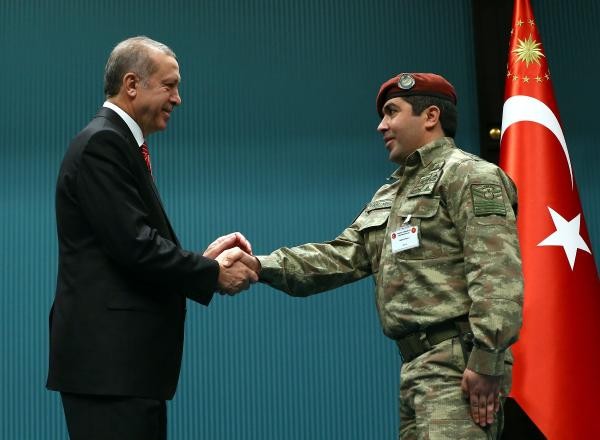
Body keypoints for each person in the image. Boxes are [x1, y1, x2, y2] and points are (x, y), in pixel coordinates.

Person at [247, 73, 523, 439]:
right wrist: (258, 265)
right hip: (416, 368)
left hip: (458, 366)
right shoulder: (393, 191)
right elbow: (343, 255)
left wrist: (487, 360)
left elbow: (496, 271)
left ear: (431, 116)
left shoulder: (470, 174)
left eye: (392, 112)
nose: (382, 125)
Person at [46, 36, 258, 440]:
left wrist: (202, 261)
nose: (177, 98)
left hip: (123, 370)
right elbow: (135, 246)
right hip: (110, 371)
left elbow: (132, 244)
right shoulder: (103, 143)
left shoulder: (116, 142)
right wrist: (210, 272)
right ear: (131, 84)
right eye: (169, 85)